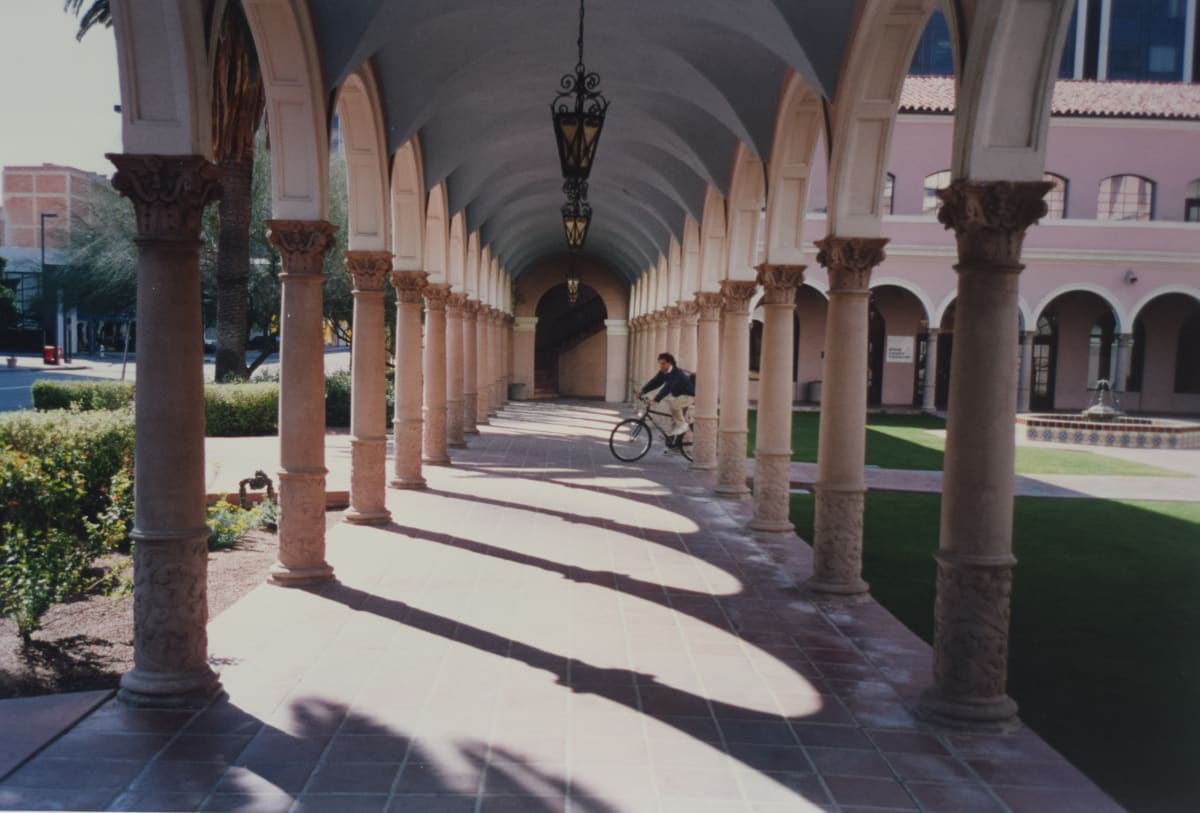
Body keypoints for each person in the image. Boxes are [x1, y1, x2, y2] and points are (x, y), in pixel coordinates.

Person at [636, 352, 695, 436]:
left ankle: (683, 426)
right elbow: (655, 382)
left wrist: (656, 400)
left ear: (670, 363)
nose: (661, 366)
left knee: (674, 405)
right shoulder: (664, 372)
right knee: (670, 408)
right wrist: (642, 391)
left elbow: (667, 387)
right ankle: (673, 438)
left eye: (663, 363)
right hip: (679, 396)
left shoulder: (676, 373)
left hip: (689, 395)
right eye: (660, 364)